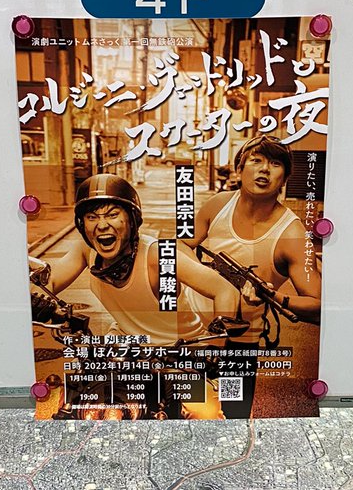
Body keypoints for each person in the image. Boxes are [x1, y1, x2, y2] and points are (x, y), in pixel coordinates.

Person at [185, 135, 322, 416]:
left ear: (285, 178)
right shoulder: (217, 205)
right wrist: (201, 274)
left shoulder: (292, 234)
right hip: (191, 327)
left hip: (238, 345)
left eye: (275, 164)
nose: (264, 169)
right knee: (181, 410)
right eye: (256, 161)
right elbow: (180, 244)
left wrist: (274, 296)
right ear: (239, 169)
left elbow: (318, 306)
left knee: (231, 415)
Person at [31, 174, 239, 349]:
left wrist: (217, 346)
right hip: (128, 345)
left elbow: (224, 290)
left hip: (181, 349)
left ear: (131, 220)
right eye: (92, 217)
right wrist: (38, 301)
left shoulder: (158, 254)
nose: (101, 225)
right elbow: (50, 282)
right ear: (82, 224)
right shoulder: (86, 251)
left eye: (112, 215)